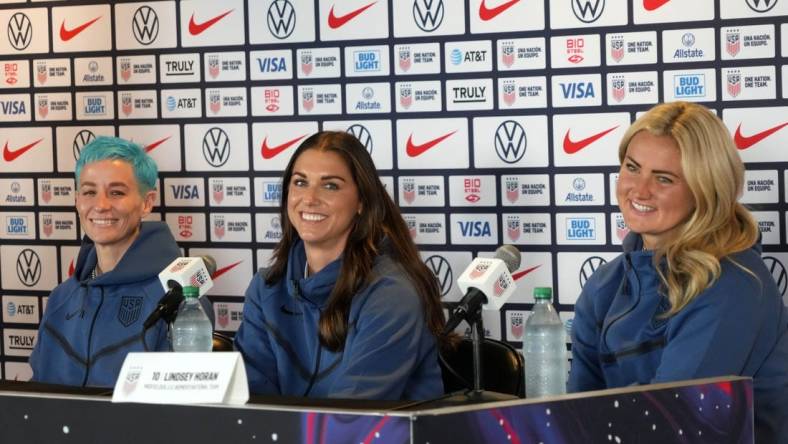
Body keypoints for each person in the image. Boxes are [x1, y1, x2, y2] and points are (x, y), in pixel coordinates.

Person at [568, 101, 788, 442]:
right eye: (632, 167)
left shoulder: (734, 283)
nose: (639, 190)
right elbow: (575, 419)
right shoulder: (604, 287)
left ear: (705, 189)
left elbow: (669, 426)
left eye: (664, 178)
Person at [235, 131, 447, 400]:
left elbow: (351, 416)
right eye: (300, 182)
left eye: (330, 186)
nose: (309, 198)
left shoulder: (391, 294)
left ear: (362, 201)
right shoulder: (266, 289)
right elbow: (251, 403)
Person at [30, 136, 180, 387]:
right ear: (77, 200)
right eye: (89, 192)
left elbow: (181, 416)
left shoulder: (177, 298)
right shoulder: (61, 297)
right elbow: (36, 402)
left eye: (117, 192)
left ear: (147, 202)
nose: (100, 205)